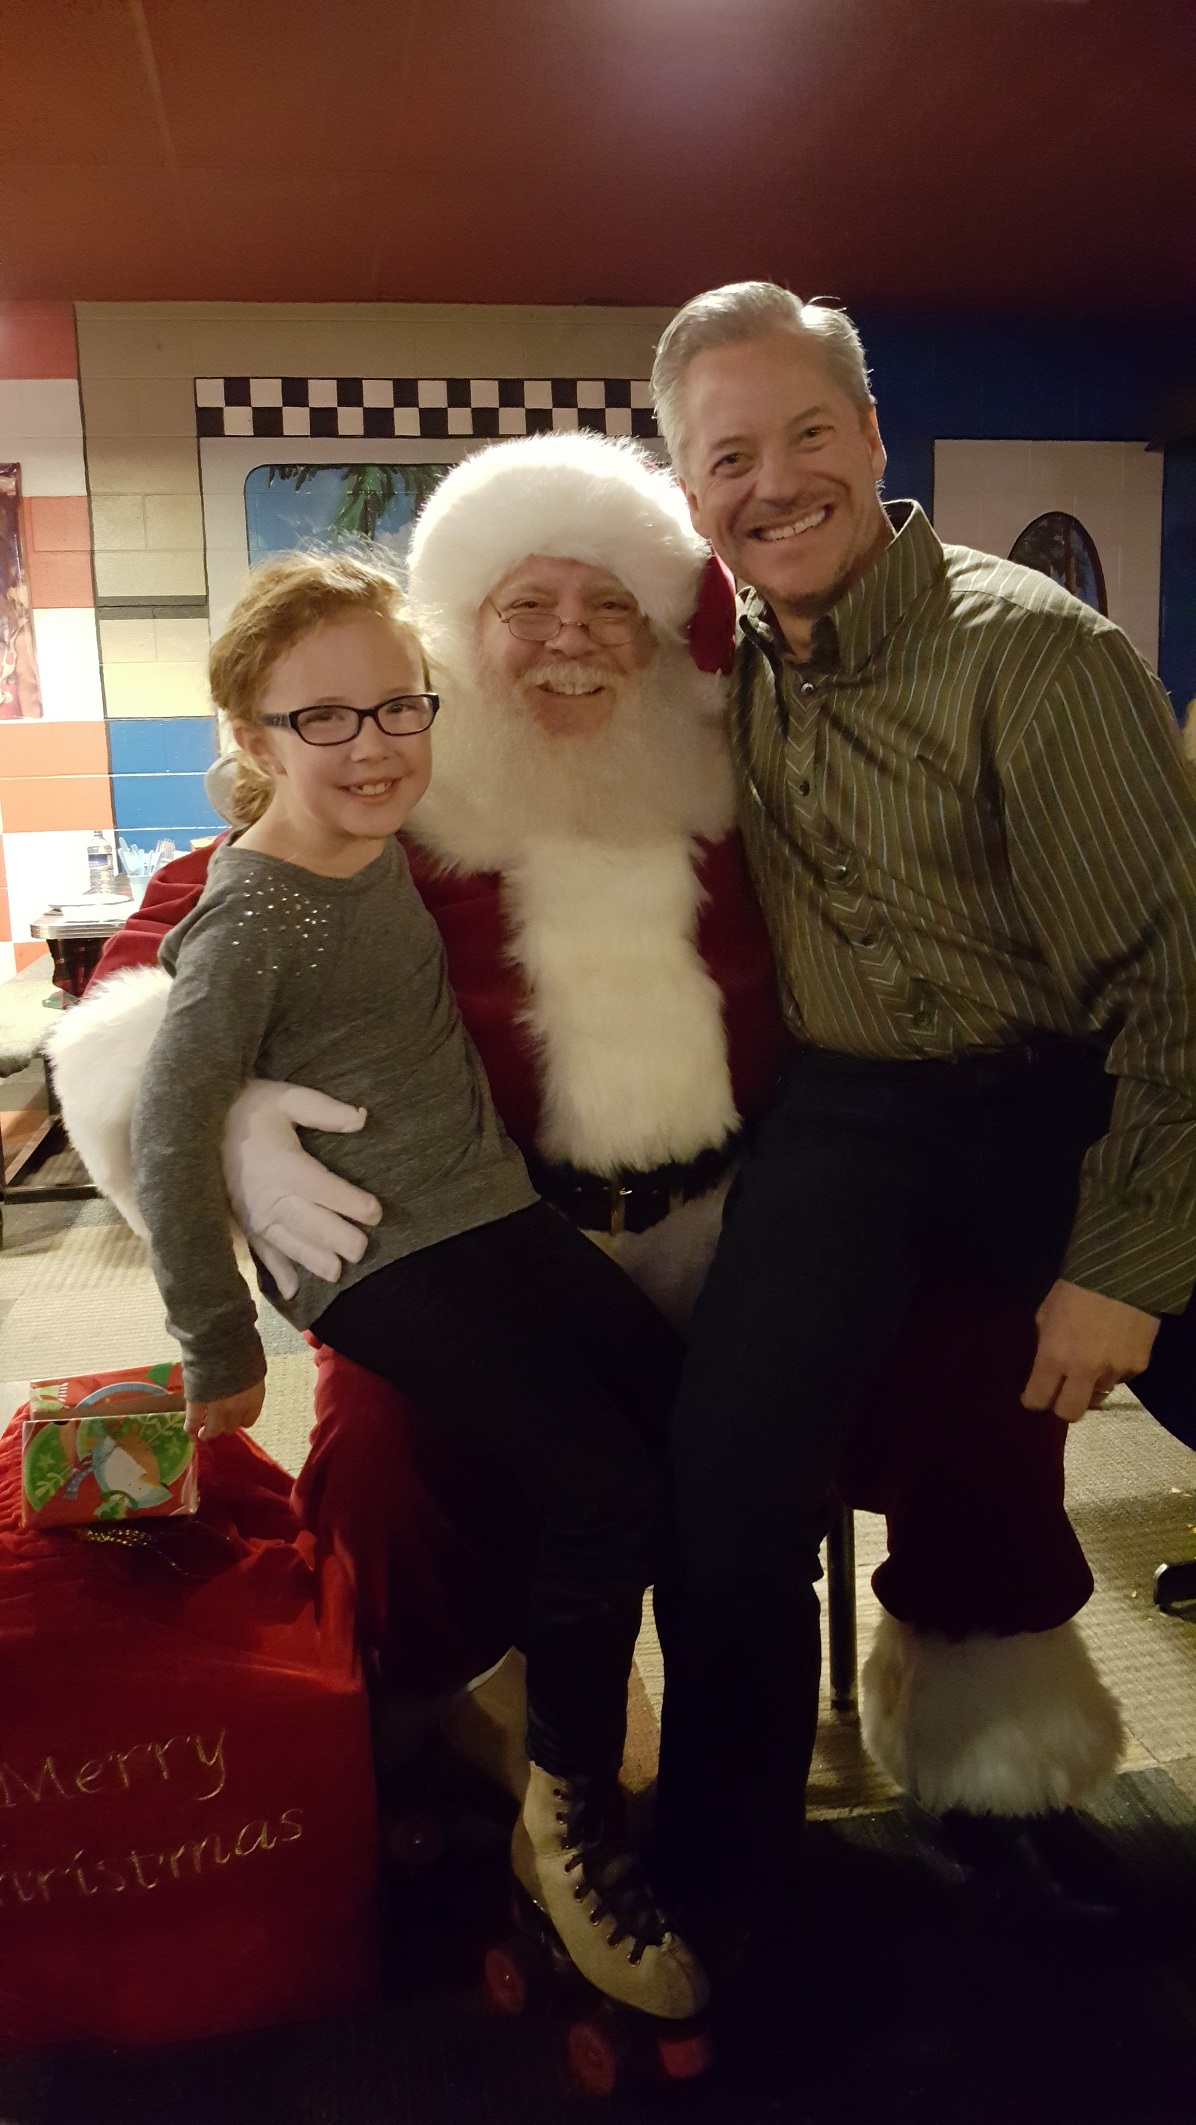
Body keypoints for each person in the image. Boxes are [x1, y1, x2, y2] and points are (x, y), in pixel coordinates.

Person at [53, 433, 1124, 1886]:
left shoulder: (744, 781)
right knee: (387, 1457)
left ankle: (992, 1743)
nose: (573, 637)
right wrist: (225, 1121)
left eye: (611, 603)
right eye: (529, 605)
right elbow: (157, 962)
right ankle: (431, 1739)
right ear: (462, 626)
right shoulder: (393, 789)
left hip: (758, 1231)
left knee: (983, 1367)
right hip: (481, 1246)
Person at [644, 280, 1196, 1927]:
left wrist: (1123, 1258)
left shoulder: (1037, 654)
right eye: (728, 455)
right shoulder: (710, 668)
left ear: (875, 438)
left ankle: (1014, 1794)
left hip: (1071, 1095)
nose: (774, 480)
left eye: (810, 431)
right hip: (853, 1114)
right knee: (724, 1479)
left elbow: (1174, 988)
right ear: (690, 490)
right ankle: (721, 1880)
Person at [126, 548, 709, 2028]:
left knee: (675, 1414)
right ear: (252, 735)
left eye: (398, 705)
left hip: (487, 1208)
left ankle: (524, 1695)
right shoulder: (255, 911)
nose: (375, 744)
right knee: (600, 1487)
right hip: (372, 1255)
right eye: (323, 717)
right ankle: (564, 1822)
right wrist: (214, 1342)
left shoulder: (379, 837)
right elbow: (163, 1115)